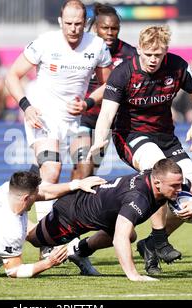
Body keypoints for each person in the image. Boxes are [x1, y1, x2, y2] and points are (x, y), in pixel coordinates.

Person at [87, 25, 192, 274]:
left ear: (166, 52)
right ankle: (160, 239)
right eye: (149, 54)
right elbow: (107, 112)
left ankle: (151, 243)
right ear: (139, 49)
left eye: (159, 54)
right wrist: (99, 139)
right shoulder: (123, 73)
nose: (154, 60)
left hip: (166, 137)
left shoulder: (177, 66)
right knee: (158, 173)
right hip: (130, 136)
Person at [5, 0, 112, 258]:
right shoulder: (45, 42)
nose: (73, 29)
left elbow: (109, 85)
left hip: (75, 120)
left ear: (85, 23)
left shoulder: (97, 46)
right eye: (68, 24)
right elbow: (11, 76)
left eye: (78, 24)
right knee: (52, 172)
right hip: (43, 116)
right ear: (60, 22)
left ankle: (68, 234)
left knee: (86, 170)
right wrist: (26, 106)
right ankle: (46, 244)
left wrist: (87, 102)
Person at [26, 158, 192, 281]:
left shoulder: (166, 181)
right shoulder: (137, 197)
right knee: (32, 238)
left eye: (180, 184)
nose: (180, 190)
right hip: (72, 214)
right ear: (157, 183)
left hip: (103, 215)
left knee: (131, 235)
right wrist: (133, 275)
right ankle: (12, 212)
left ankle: (78, 251)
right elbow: (119, 238)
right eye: (175, 186)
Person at [71, 2, 136, 180]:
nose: (109, 32)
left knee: (90, 171)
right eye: (104, 27)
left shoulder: (130, 55)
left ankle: (72, 205)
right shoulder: (84, 48)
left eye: (114, 28)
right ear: (95, 28)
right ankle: (68, 205)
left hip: (107, 121)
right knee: (83, 165)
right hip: (84, 116)